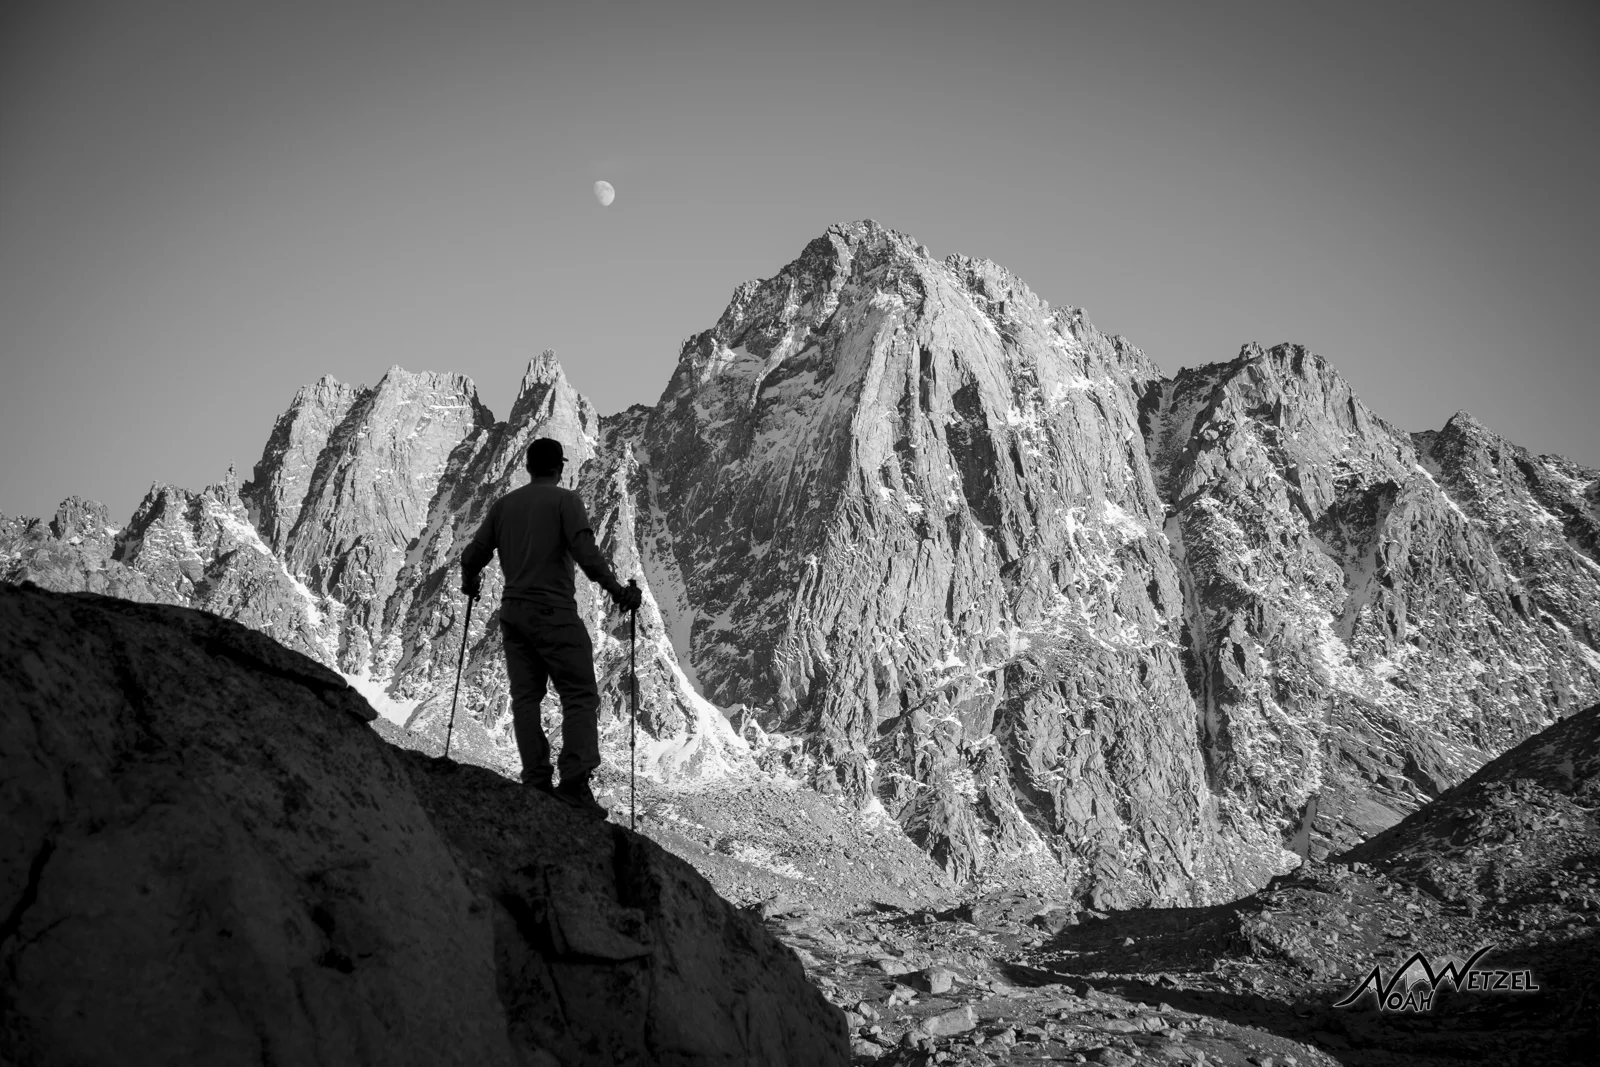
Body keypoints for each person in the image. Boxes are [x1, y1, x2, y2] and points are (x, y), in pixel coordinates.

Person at [460, 437, 641, 818]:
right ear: (559, 467)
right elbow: (587, 556)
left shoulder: (505, 506)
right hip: (554, 611)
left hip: (513, 614)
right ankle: (574, 786)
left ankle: (536, 780)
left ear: (528, 467)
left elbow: (472, 555)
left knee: (526, 698)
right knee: (579, 696)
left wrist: (469, 581)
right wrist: (617, 591)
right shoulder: (566, 502)